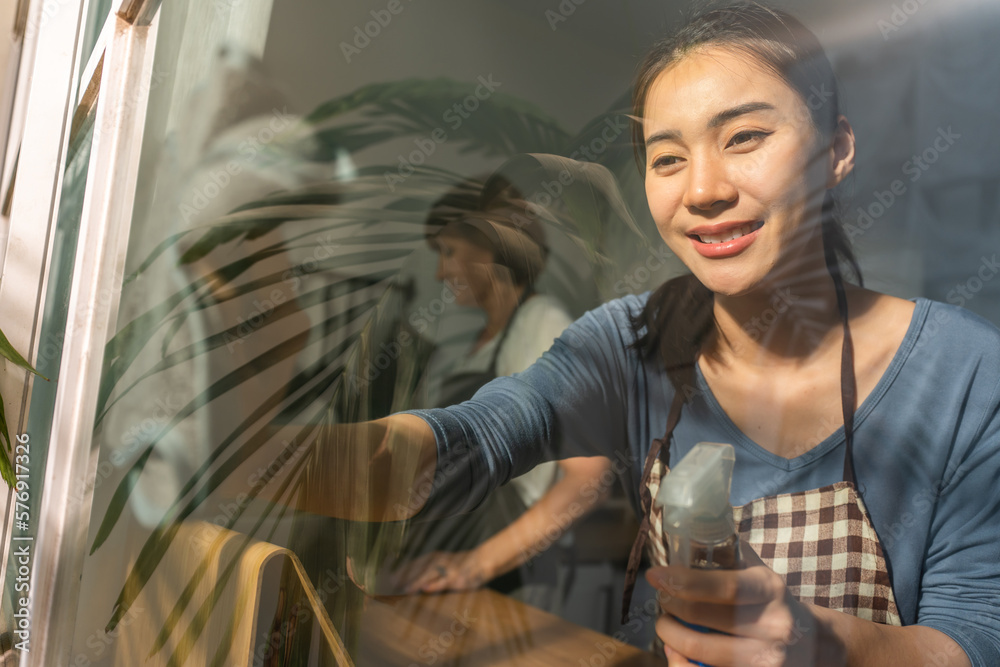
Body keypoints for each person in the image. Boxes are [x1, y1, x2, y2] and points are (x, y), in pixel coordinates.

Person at [301, 3, 1000, 665]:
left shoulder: (965, 372)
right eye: (667, 158)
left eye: (745, 137)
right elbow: (481, 435)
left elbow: (975, 636)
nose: (702, 189)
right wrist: (280, 455)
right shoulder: (629, 344)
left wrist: (825, 645)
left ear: (836, 150)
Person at [391, 190, 612, 612]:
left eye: (449, 251)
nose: (440, 272)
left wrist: (475, 565)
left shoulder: (542, 325)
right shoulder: (474, 343)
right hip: (446, 566)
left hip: (507, 577)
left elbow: (589, 479)